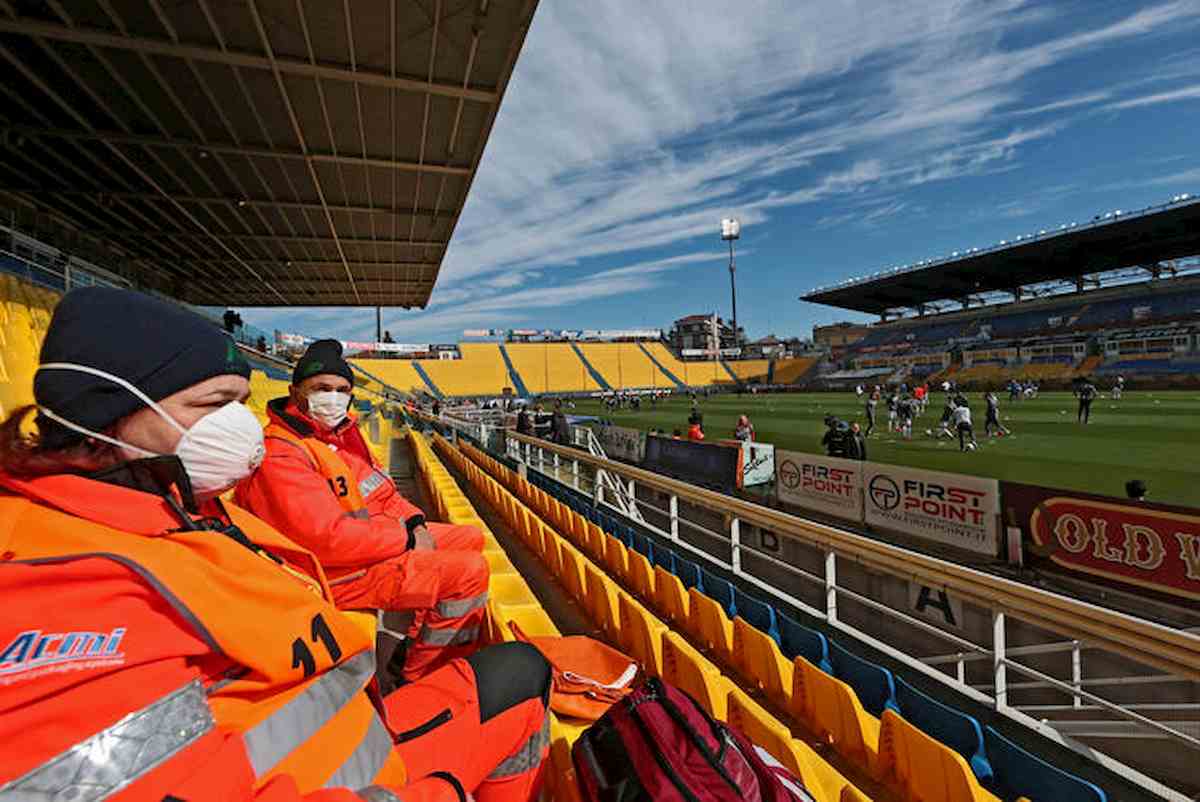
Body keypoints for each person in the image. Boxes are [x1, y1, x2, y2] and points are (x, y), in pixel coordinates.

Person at [0, 288, 551, 801]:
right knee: (506, 653)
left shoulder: (182, 506)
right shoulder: (61, 592)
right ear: (112, 411)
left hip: (357, 732)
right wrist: (444, 792)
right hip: (359, 777)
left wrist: (406, 529)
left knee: (522, 670)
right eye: (215, 403)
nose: (239, 426)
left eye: (240, 403)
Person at [236, 339, 488, 682]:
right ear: (295, 393)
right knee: (469, 572)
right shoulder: (282, 453)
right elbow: (326, 541)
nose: (333, 397)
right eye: (322, 388)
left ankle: (412, 645)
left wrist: (415, 524)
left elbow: (382, 493)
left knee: (469, 537)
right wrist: (406, 540)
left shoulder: (326, 439)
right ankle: (422, 677)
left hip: (358, 549)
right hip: (325, 574)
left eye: (342, 390)